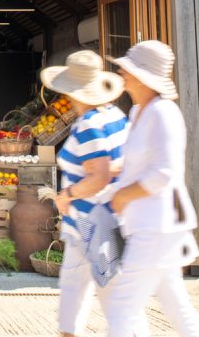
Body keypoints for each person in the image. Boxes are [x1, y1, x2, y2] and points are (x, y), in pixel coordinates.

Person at [104, 41, 199, 337]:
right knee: (177, 306)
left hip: (157, 225)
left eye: (128, 68)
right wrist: (118, 170)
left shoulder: (164, 113)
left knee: (122, 307)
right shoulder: (138, 113)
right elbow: (141, 161)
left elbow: (165, 172)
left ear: (142, 75)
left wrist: (124, 194)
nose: (121, 71)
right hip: (147, 224)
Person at [40, 50, 133, 337]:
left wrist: (67, 194)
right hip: (91, 222)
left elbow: (100, 175)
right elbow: (120, 164)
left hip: (96, 222)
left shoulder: (90, 124)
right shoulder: (115, 115)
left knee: (112, 296)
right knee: (73, 286)